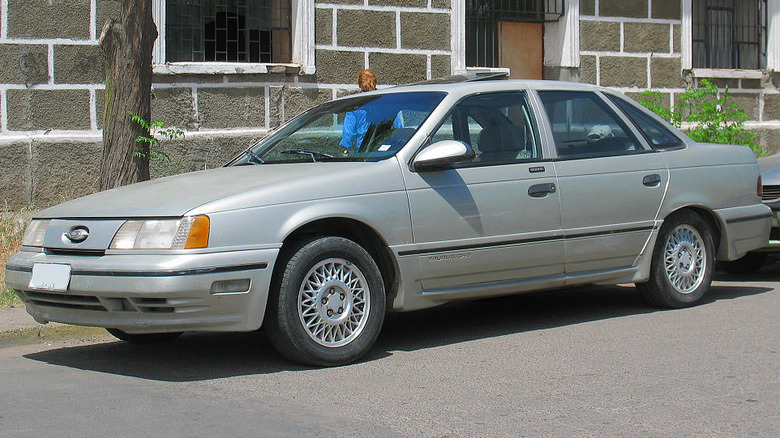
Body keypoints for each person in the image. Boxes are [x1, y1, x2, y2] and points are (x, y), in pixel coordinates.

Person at [340, 70, 377, 154]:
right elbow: (398, 126)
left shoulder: (355, 106)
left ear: (359, 84)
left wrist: (345, 149)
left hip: (363, 148)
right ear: (375, 83)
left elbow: (348, 133)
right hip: (385, 147)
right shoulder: (385, 102)